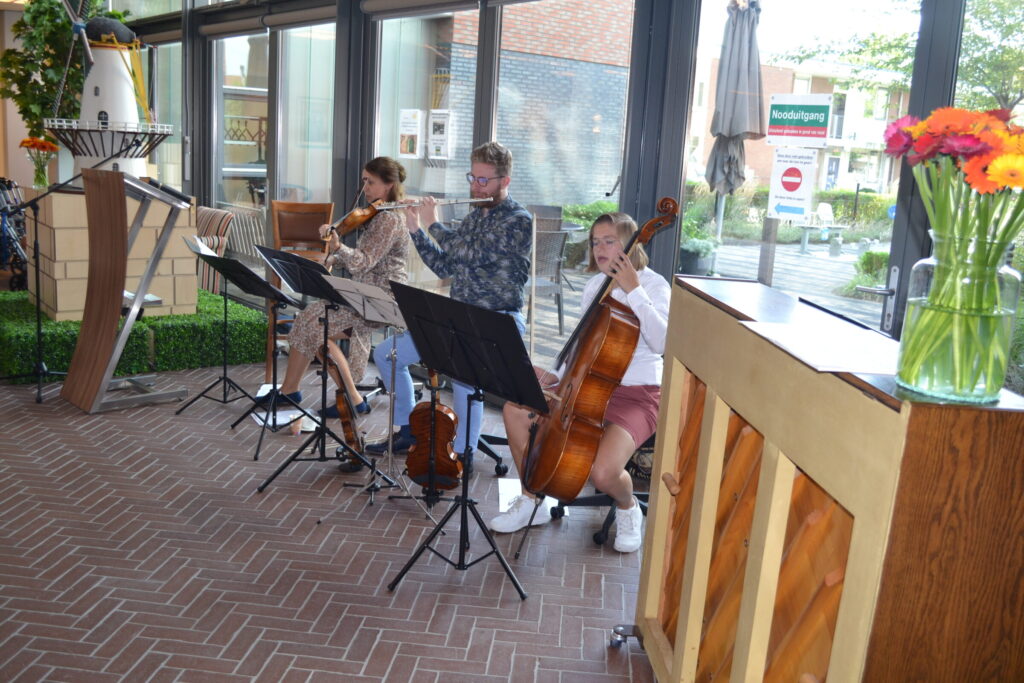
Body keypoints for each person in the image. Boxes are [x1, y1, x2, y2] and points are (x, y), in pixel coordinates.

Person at [488, 212, 670, 553]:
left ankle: (629, 510)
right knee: (515, 409)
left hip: (638, 394)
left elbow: (662, 343)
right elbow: (583, 348)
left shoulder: (655, 286)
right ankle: (531, 499)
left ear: (631, 244)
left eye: (609, 241)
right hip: (588, 385)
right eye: (595, 242)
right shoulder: (594, 286)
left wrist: (633, 291)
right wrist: (555, 374)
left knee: (603, 473)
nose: (600, 249)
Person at [369, 141, 532, 460]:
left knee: (462, 373)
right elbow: (446, 266)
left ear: (505, 181)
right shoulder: (475, 216)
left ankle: (461, 454)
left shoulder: (518, 220)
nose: (476, 185)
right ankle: (408, 429)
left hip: (497, 319)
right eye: (473, 177)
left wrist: (432, 222)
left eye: (484, 180)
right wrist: (415, 229)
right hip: (459, 316)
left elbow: (468, 253)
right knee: (386, 353)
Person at [260, 157, 410, 428]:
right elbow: (364, 259)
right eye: (364, 180)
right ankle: (289, 390)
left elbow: (364, 261)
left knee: (317, 323)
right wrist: (332, 259)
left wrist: (339, 248)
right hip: (362, 293)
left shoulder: (390, 220)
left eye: (371, 182)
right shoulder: (378, 215)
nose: (364, 187)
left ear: (389, 185)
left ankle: (352, 398)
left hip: (380, 300)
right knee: (310, 318)